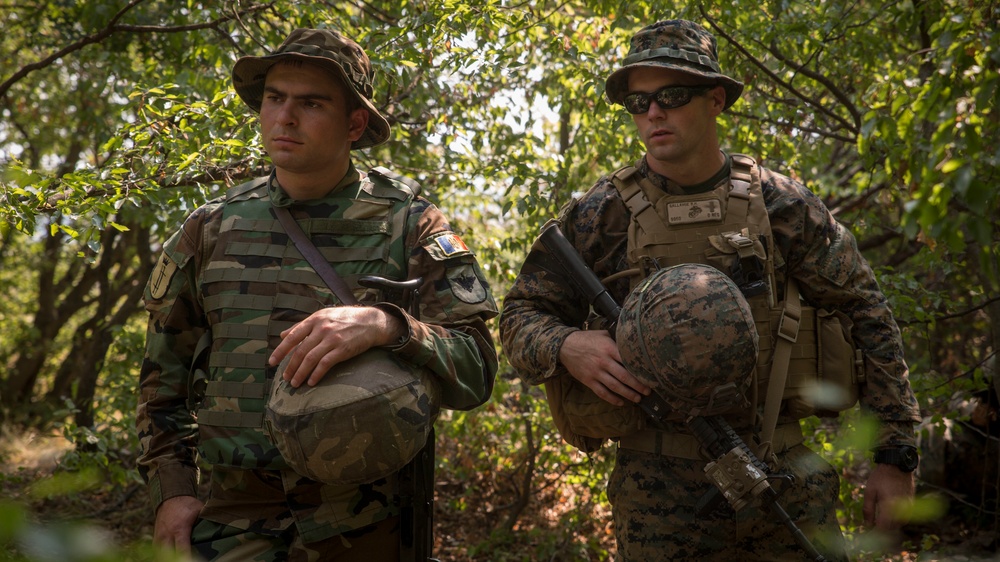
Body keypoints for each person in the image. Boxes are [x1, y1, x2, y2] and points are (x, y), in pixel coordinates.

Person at [499, 19, 921, 561]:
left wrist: (896, 457)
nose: (654, 112)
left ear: (715, 98)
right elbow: (519, 315)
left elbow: (868, 313)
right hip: (657, 493)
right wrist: (566, 345)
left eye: (672, 95)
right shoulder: (599, 215)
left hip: (784, 475)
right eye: (638, 101)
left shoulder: (781, 206)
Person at [136, 27, 498, 561]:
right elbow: (159, 384)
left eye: (311, 103)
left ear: (355, 123)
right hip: (232, 524)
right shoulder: (211, 229)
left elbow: (478, 369)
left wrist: (392, 327)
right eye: (275, 98)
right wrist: (174, 491)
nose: (285, 117)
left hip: (364, 524)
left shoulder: (409, 224)